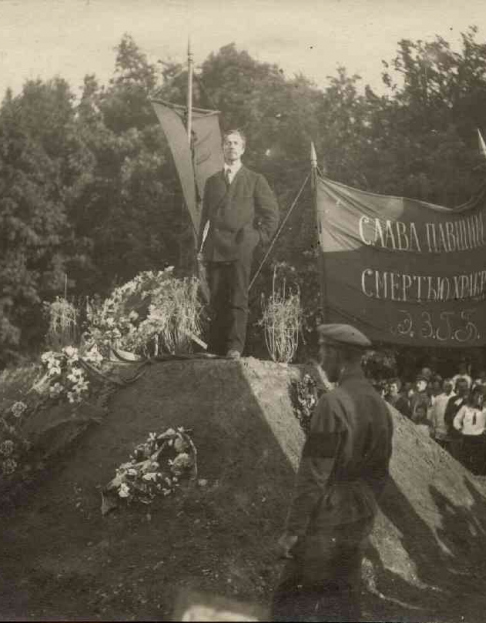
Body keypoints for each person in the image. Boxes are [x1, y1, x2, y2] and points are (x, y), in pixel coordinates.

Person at [272, 324, 393, 621]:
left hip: (328, 514)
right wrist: (365, 504)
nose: (321, 358)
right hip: (361, 510)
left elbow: (314, 473)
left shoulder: (333, 403)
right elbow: (381, 471)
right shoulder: (380, 406)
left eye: (323, 350)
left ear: (338, 354)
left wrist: (292, 531)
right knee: (343, 596)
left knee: (289, 600)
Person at [198, 129, 279, 359]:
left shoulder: (254, 179)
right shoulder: (212, 182)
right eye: (227, 143)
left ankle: (235, 347)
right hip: (215, 246)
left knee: (238, 296)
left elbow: (271, 214)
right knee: (216, 298)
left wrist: (255, 239)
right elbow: (205, 218)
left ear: (242, 149)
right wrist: (201, 248)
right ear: (222, 148)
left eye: (236, 143)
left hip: (241, 247)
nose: (231, 146)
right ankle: (214, 348)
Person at [453, 384, 486, 475]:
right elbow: (456, 419)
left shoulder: (485, 411)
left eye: (482, 397)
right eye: (477, 396)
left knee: (479, 460)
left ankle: (479, 477)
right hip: (467, 437)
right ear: (473, 396)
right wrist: (459, 428)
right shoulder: (465, 408)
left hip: (479, 439)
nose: (479, 399)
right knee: (465, 459)